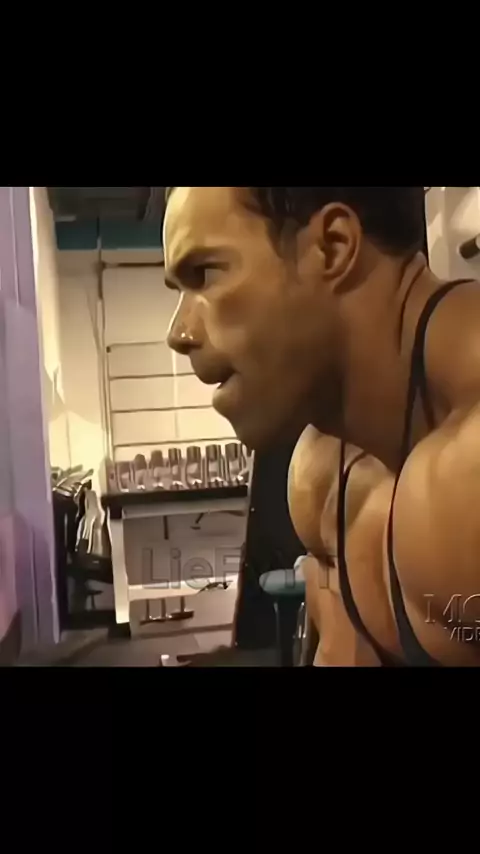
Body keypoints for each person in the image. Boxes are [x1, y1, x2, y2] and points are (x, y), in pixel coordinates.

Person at [163, 187, 480, 667]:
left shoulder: (467, 465)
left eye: (205, 274)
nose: (179, 333)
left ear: (332, 247)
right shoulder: (322, 474)